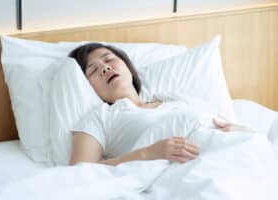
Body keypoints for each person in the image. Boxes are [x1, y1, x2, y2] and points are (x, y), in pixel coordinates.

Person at [68, 43, 251, 166]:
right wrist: (147, 153)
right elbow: (82, 174)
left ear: (128, 67)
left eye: (109, 60)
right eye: (93, 69)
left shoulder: (174, 98)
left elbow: (218, 123)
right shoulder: (100, 118)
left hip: (228, 152)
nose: (105, 68)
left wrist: (240, 131)